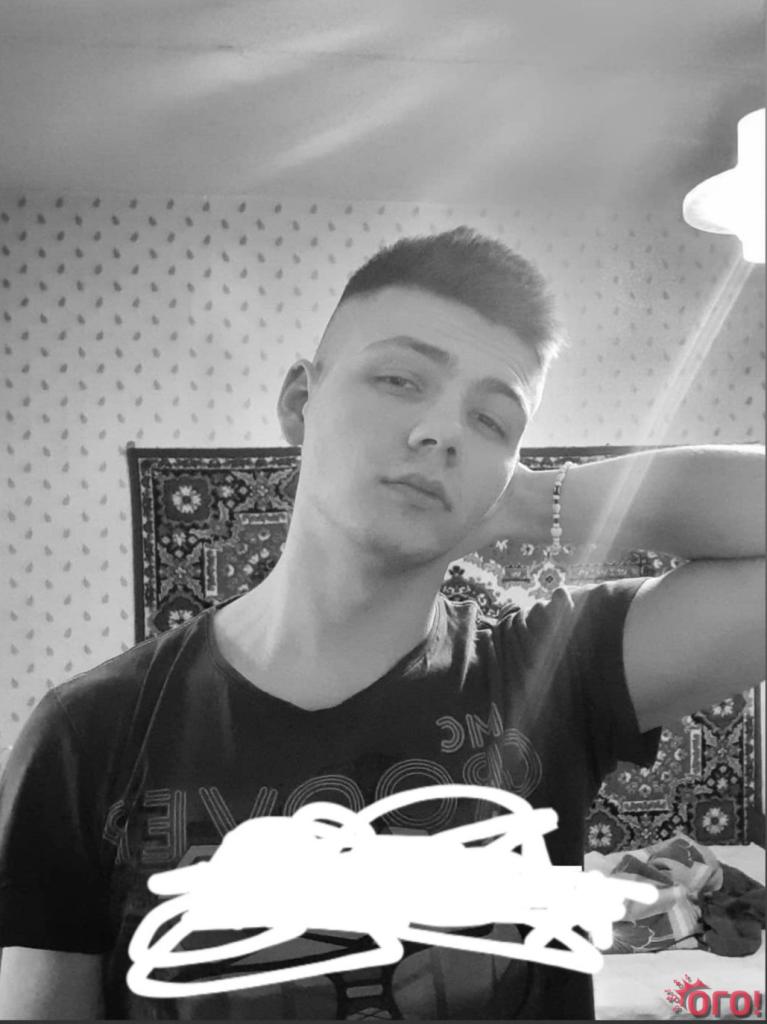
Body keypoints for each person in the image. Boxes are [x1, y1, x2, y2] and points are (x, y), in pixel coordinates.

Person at [0, 227, 763, 1020]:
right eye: (400, 380)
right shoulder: (89, 729)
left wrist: (531, 497)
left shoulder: (548, 672)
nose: (442, 431)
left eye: (490, 420)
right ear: (300, 402)